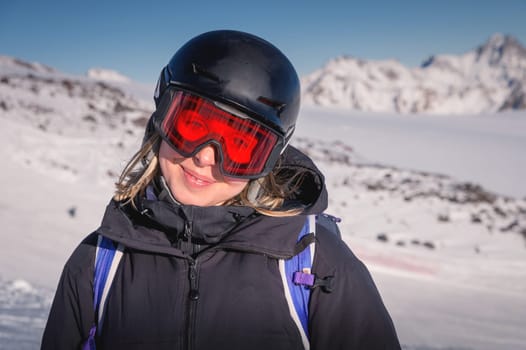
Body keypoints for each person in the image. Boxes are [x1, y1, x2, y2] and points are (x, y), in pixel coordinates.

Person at [41, 30, 401, 350]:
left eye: (241, 146)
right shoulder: (98, 262)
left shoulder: (317, 265)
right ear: (161, 116)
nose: (204, 158)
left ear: (268, 159)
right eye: (191, 125)